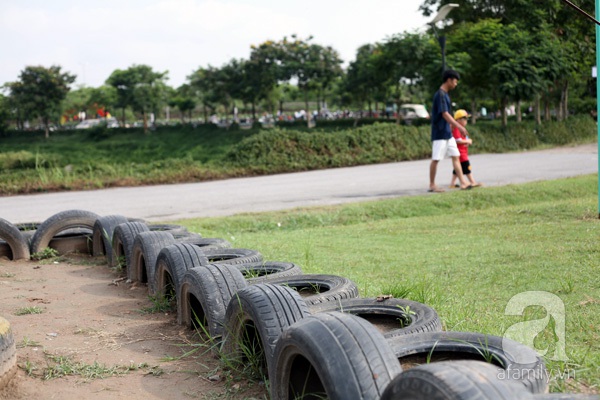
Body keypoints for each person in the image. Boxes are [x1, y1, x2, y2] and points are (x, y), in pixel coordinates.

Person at [428, 69, 471, 193]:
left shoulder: (446, 95)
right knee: (436, 159)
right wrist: (459, 126)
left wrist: (452, 127)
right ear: (449, 80)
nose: (456, 84)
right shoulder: (440, 94)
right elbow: (445, 114)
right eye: (455, 81)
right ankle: (432, 185)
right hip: (440, 133)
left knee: (456, 156)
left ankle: (463, 182)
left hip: (448, 133)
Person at [449, 109, 482, 188]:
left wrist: (467, 141)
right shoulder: (457, 129)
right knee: (467, 166)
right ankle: (472, 181)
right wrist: (467, 141)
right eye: (465, 119)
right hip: (460, 153)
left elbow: (463, 139)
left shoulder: (462, 129)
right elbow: (457, 140)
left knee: (457, 169)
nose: (466, 121)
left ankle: (452, 183)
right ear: (458, 120)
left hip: (463, 151)